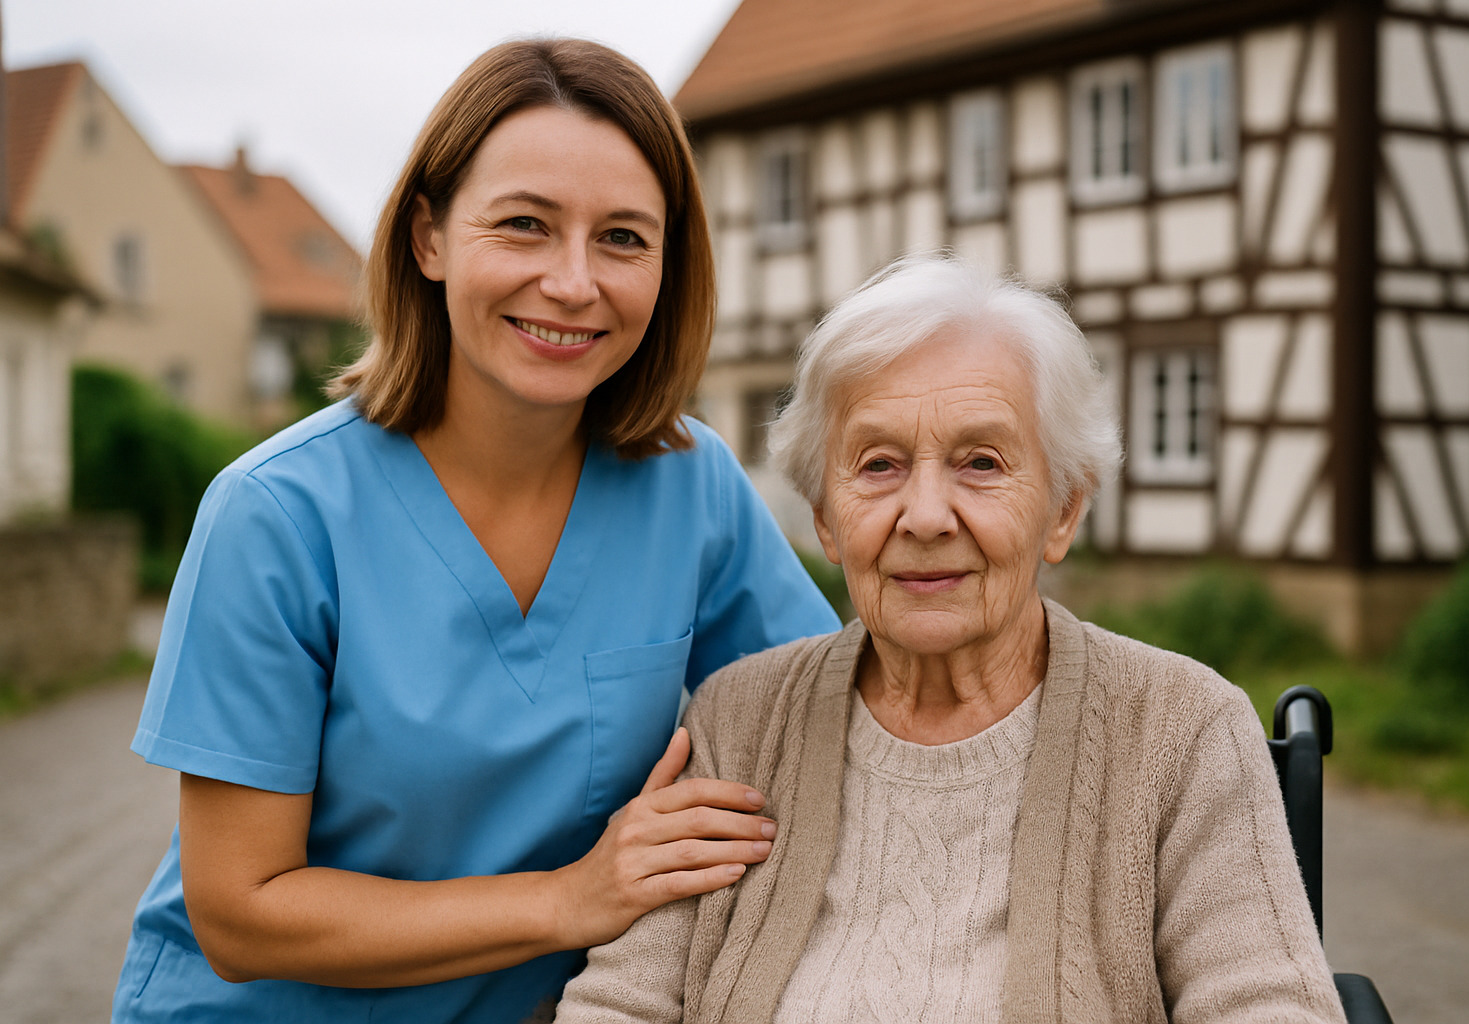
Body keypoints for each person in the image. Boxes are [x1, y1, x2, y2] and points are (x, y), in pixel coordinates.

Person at [111, 39, 839, 1024]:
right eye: (525, 225)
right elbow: (242, 914)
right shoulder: (276, 515)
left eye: (623, 238)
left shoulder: (691, 486)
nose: (574, 282)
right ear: (431, 238)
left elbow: (834, 716)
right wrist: (568, 898)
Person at [554, 255, 1348, 1023]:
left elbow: (1268, 1005)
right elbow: (622, 1004)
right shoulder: (736, 723)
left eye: (980, 462)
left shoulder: (1181, 728)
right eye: (878, 465)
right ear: (826, 518)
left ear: (1064, 509)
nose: (926, 515)